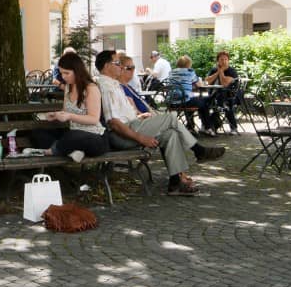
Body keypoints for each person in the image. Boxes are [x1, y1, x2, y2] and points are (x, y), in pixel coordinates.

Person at [94, 49, 224, 196]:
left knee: (170, 134)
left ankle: (175, 183)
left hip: (132, 126)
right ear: (106, 66)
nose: (121, 67)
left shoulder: (113, 84)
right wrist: (140, 138)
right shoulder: (105, 86)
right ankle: (199, 151)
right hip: (123, 135)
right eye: (117, 63)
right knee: (170, 117)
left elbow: (122, 115)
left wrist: (139, 116)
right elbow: (113, 123)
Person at [29, 51, 110, 163]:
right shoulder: (68, 87)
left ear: (77, 71)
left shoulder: (91, 88)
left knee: (73, 136)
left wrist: (69, 116)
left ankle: (55, 150)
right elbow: (66, 111)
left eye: (67, 73)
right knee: (37, 132)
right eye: (61, 73)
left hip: (95, 137)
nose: (63, 77)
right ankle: (72, 151)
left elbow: (93, 119)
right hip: (73, 133)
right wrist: (56, 115)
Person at [194, 50, 239, 135]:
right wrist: (218, 71)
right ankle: (206, 125)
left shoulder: (231, 71)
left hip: (229, 95)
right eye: (222, 59)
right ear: (218, 61)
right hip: (213, 95)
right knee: (202, 102)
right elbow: (206, 81)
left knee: (225, 102)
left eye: (226, 59)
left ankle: (234, 128)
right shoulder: (214, 69)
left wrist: (221, 72)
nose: (224, 61)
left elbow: (224, 83)